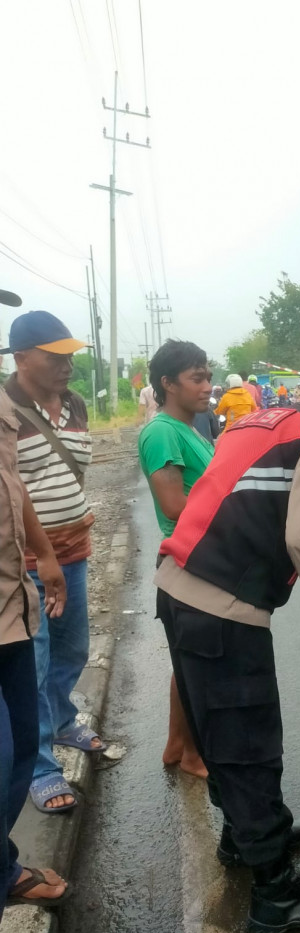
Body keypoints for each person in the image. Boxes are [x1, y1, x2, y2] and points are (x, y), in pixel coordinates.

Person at [153, 364, 300, 933]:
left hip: (178, 586)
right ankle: (277, 894)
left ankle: (246, 835)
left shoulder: (258, 418)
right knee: (250, 742)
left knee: (218, 730)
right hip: (223, 607)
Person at [2, 311, 105, 814]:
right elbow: (13, 487)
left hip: (74, 553)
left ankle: (63, 720)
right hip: (27, 562)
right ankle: (41, 765)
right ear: (21, 358)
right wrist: (41, 554)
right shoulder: (5, 407)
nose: (66, 366)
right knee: (35, 661)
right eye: (54, 356)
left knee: (73, 646)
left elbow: (66, 475)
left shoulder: (76, 404)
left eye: (70, 356)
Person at [0, 291, 71, 933]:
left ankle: (3, 869)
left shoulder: (2, 413)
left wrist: (45, 556)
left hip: (10, 610)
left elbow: (13, 488)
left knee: (21, 750)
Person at [138, 340, 214, 778]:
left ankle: (175, 747)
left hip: (198, 559)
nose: (207, 386)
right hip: (188, 561)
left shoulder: (191, 427)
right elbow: (173, 504)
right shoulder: (163, 430)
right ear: (167, 384)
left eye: (207, 376)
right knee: (197, 666)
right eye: (197, 377)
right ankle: (191, 756)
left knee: (187, 662)